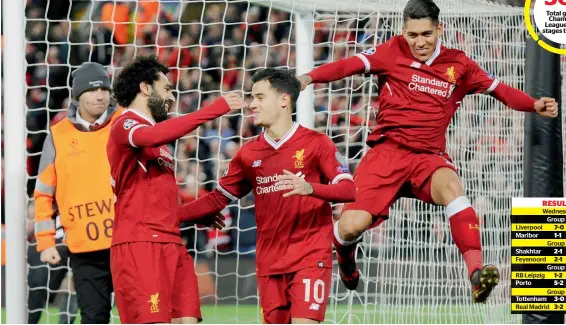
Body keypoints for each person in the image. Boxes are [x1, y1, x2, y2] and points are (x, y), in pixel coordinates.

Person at [298, 0, 559, 303]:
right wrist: (308, 78)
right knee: (352, 227)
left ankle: (476, 274)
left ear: (439, 29)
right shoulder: (391, 51)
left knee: (454, 190)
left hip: (428, 157)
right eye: (412, 35)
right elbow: (349, 65)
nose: (419, 42)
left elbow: (499, 90)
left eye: (426, 34)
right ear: (403, 31)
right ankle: (345, 254)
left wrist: (533, 104)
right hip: (386, 154)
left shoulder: (459, 64)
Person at [176, 68, 356, 323]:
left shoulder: (317, 143)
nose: (252, 104)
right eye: (252, 97)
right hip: (270, 262)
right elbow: (217, 199)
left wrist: (311, 188)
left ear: (284, 100)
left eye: (260, 97)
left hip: (309, 256)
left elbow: (349, 190)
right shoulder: (248, 154)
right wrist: (169, 216)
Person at [106, 55, 245, 324]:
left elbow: (158, 204)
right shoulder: (124, 125)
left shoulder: (161, 146)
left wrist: (193, 214)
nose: (171, 97)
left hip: (171, 242)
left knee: (188, 319)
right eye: (167, 88)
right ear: (145, 88)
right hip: (140, 244)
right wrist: (212, 109)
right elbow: (153, 135)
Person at [33, 62, 122, 323]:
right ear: (77, 95)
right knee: (93, 318)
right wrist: (46, 241)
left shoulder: (124, 122)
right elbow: (43, 193)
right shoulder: (58, 134)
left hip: (127, 241)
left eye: (105, 89)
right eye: (93, 90)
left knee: (141, 314)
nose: (100, 95)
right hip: (84, 249)